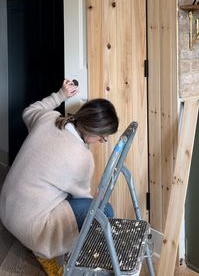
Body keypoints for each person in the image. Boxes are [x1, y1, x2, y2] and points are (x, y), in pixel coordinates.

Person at [0, 79, 119, 276]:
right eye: (102, 137)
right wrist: (95, 199)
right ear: (94, 131)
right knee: (104, 210)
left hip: (7, 208)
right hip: (29, 226)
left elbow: (28, 111)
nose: (102, 141)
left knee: (64, 191)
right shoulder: (82, 157)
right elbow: (83, 199)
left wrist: (60, 95)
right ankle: (46, 251)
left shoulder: (49, 118)